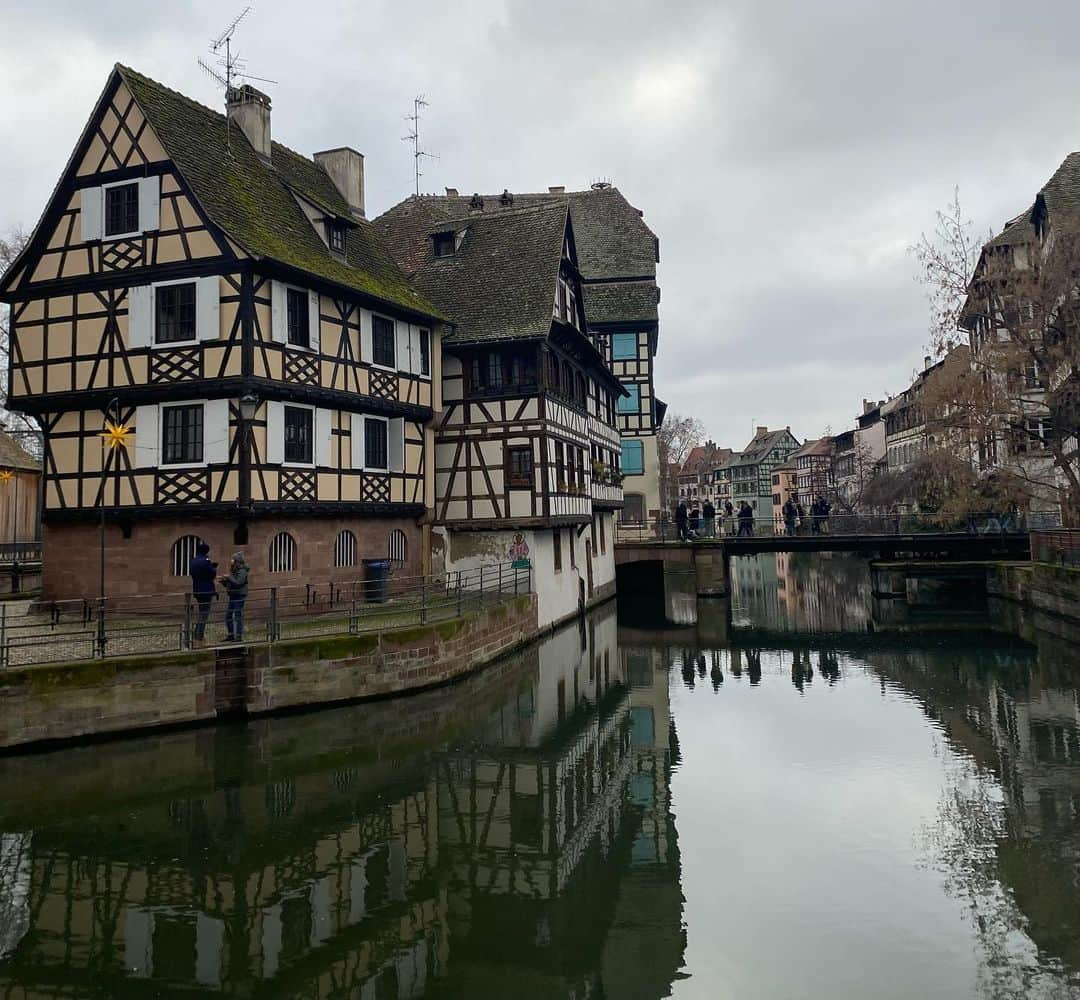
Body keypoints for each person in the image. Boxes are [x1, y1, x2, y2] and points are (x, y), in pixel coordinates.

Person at [189, 542, 217, 647]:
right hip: (206, 589)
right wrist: (213, 567)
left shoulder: (193, 561)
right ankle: (198, 635)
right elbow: (212, 573)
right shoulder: (206, 561)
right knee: (204, 614)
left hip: (197, 589)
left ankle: (197, 634)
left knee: (202, 612)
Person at [220, 552, 249, 642]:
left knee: (238, 616)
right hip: (233, 595)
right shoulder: (234, 570)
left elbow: (239, 583)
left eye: (233, 559)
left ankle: (239, 636)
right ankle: (231, 635)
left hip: (239, 595)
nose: (231, 561)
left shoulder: (242, 571)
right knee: (228, 616)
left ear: (237, 561)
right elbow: (233, 583)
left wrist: (229, 578)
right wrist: (224, 582)